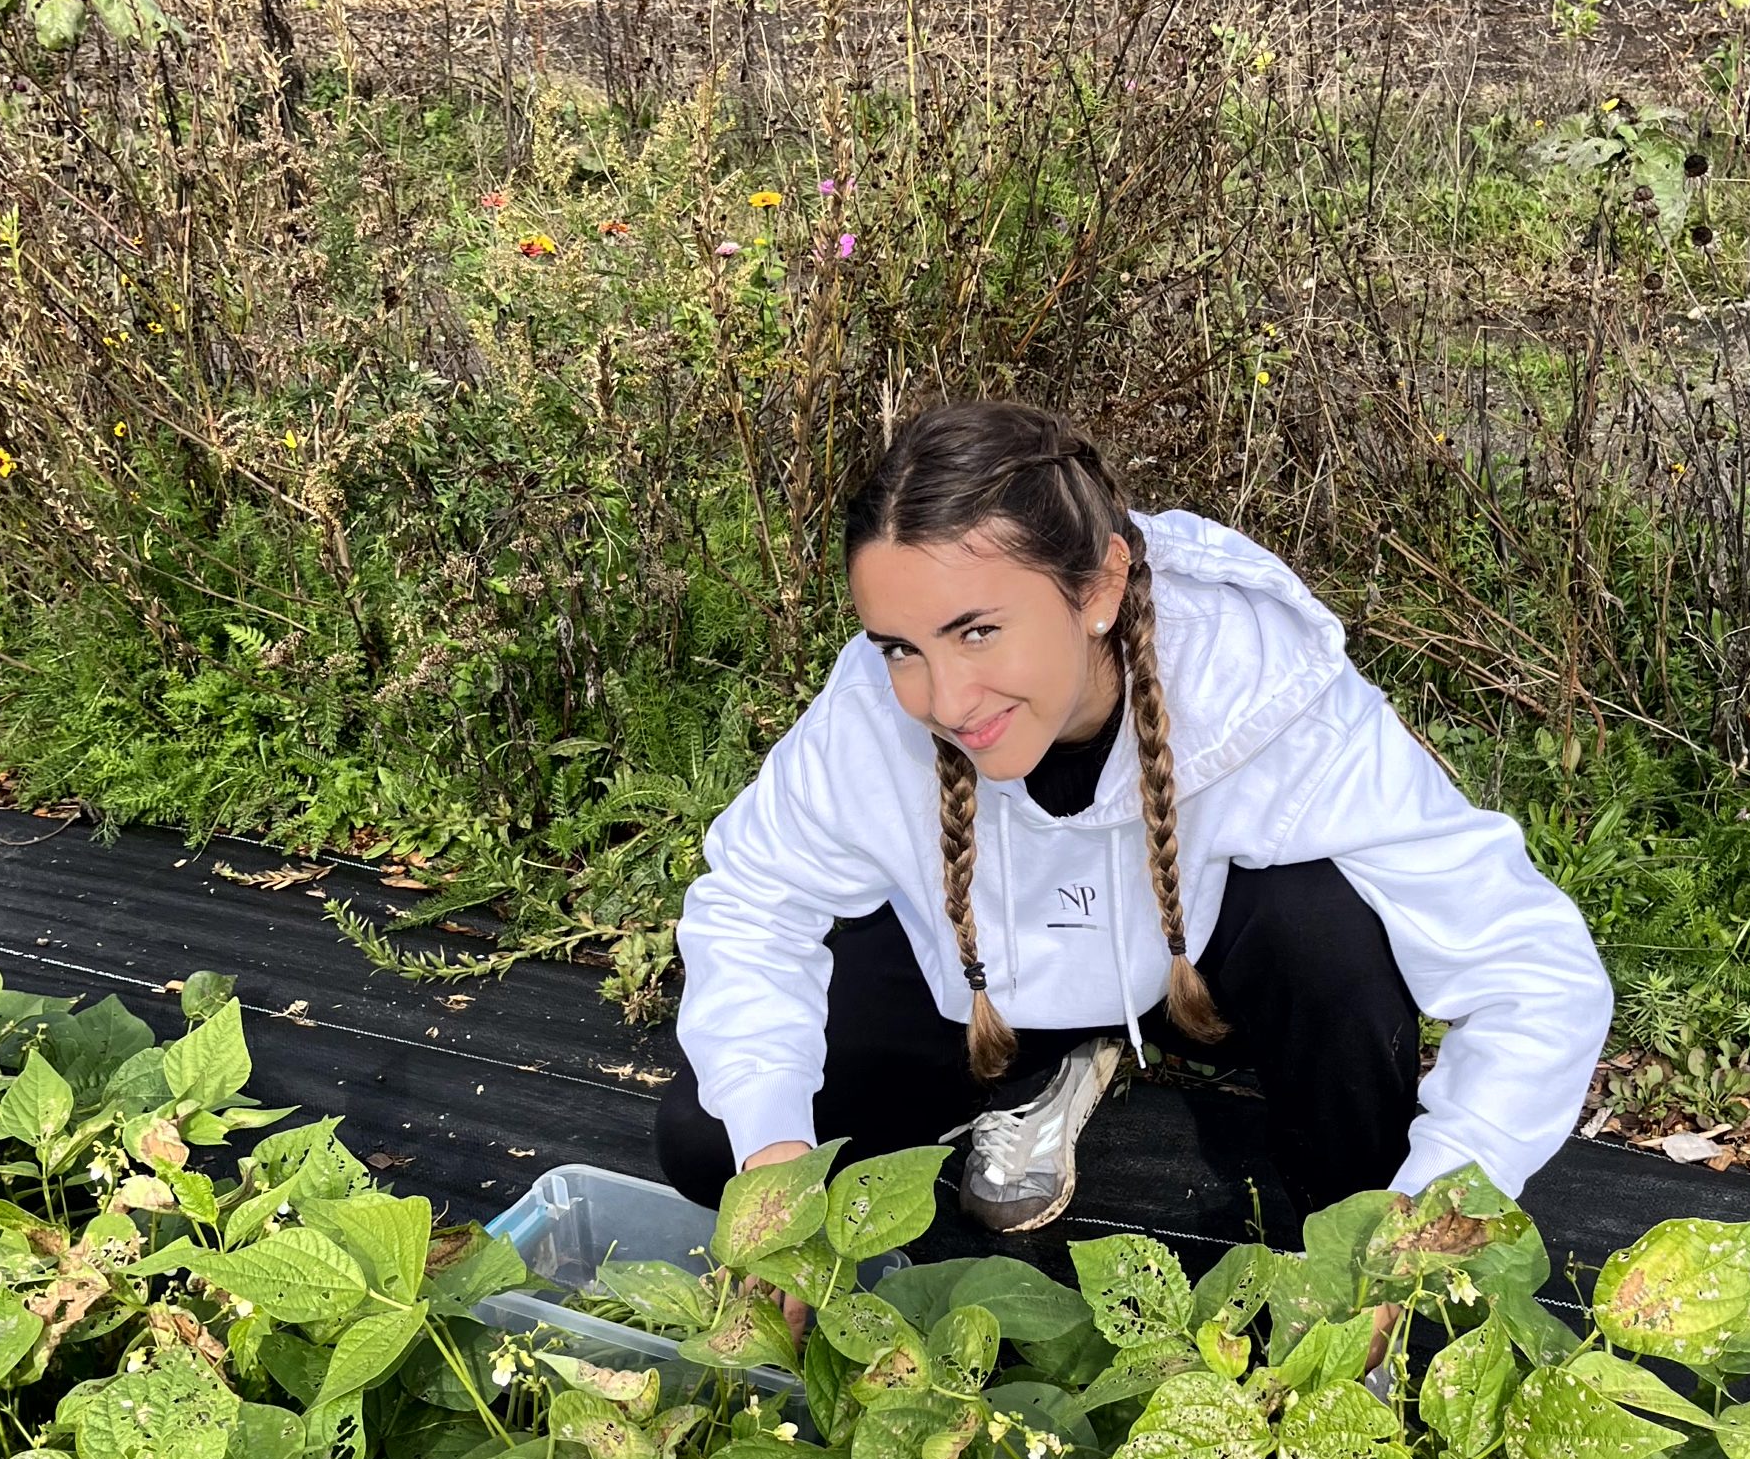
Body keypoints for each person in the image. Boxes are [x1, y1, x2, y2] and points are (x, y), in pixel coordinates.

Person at [661, 403, 1612, 1236]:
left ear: (1100, 588)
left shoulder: (1259, 684)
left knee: (1327, 930)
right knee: (716, 1141)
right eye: (902, 647)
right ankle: (1043, 1067)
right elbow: (755, 905)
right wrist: (775, 1160)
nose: (945, 698)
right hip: (991, 974)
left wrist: (1432, 1208)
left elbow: (1534, 972)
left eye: (978, 630)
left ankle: (1353, 1235)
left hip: (1192, 967)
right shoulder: (872, 714)